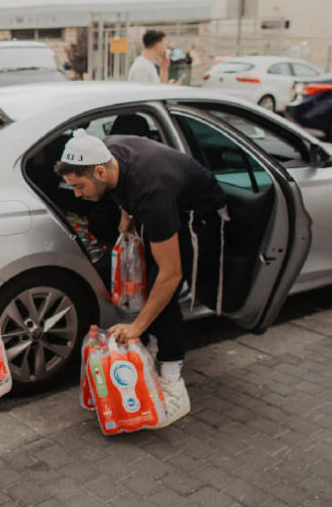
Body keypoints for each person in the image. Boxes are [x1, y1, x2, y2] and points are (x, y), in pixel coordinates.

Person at [54, 129, 226, 426]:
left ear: (98, 171)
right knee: (148, 286)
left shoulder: (152, 194)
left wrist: (137, 326)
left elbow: (172, 275)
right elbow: (123, 185)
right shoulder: (106, 152)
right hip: (158, 203)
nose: (77, 195)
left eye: (79, 186)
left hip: (198, 212)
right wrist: (126, 213)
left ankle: (174, 387)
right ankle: (153, 347)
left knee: (163, 291)